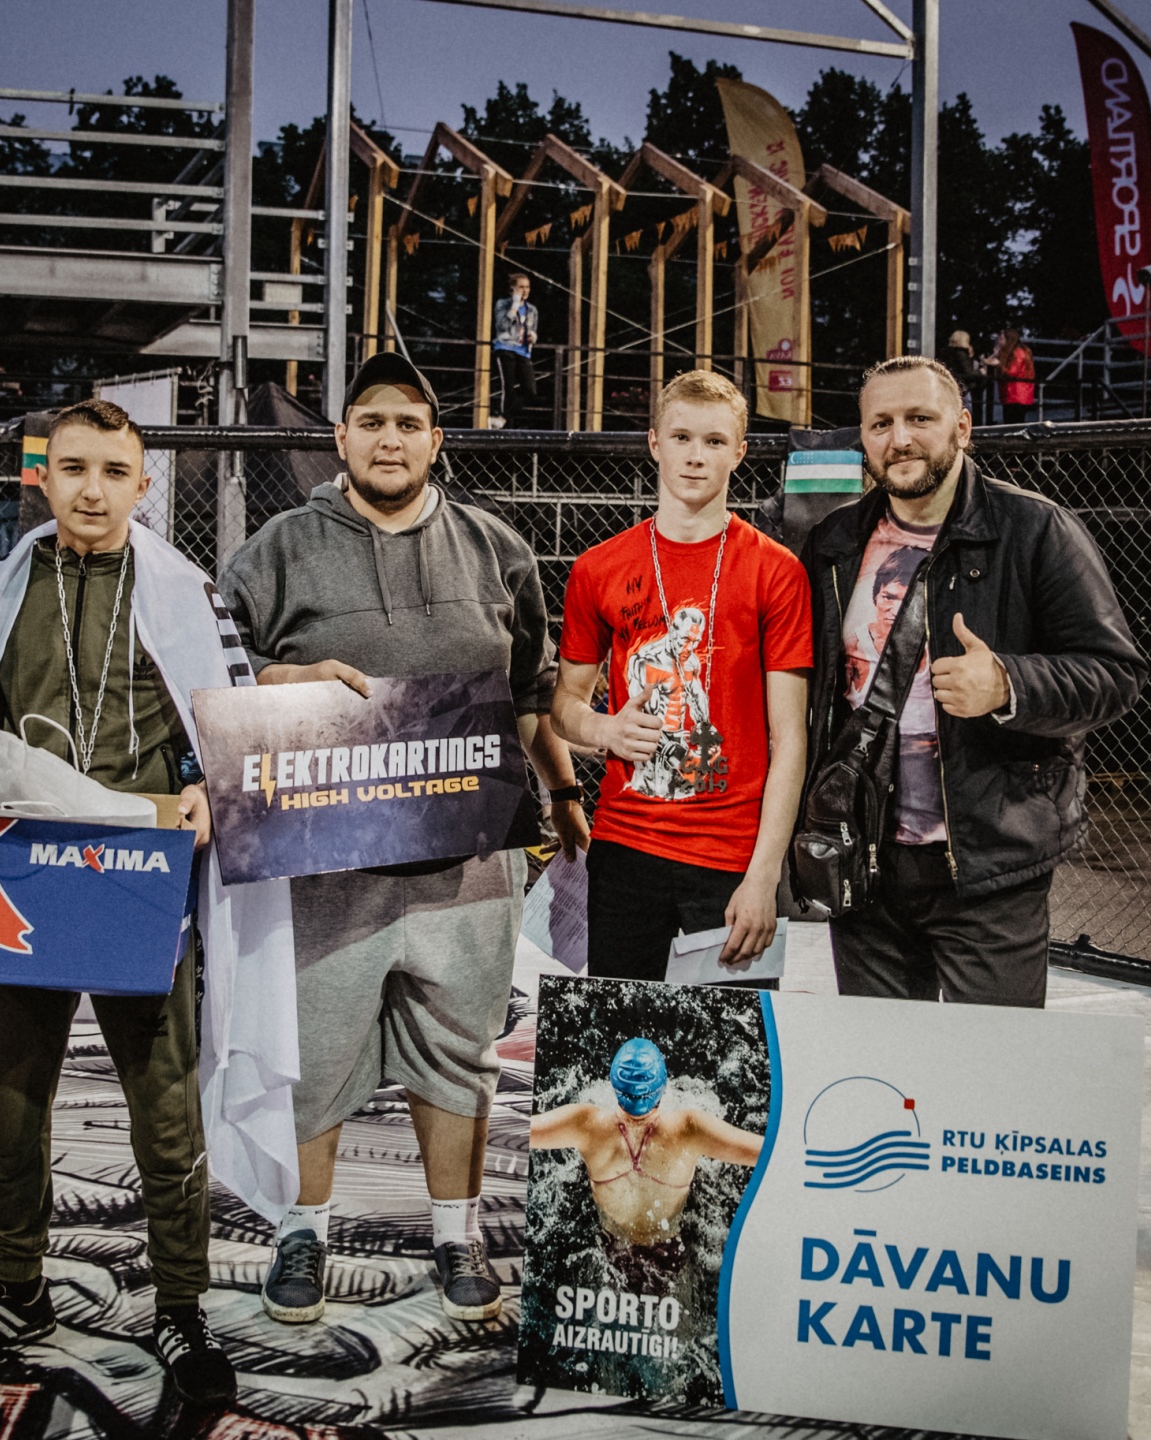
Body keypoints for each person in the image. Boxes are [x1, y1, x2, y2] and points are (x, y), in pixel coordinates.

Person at [0, 399, 298, 1407]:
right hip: (28, 868)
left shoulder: (183, 590)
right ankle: (17, 1289)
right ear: (42, 476)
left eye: (113, 472)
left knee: (163, 1104)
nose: (91, 490)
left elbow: (227, 712)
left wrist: (210, 786)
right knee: (13, 1098)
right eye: (73, 469)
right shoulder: (7, 583)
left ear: (143, 485)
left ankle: (179, 1307)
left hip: (139, 874)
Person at [221, 348, 587, 1327]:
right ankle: (303, 1235)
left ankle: (457, 1235)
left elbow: (531, 691)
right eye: (372, 422)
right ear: (340, 436)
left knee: (459, 1048)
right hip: (322, 860)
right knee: (313, 1050)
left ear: (436, 440)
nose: (390, 440)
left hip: (468, 855)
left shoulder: (495, 547)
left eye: (409, 424)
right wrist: (275, 681)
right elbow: (212, 675)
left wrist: (562, 791)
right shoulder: (277, 549)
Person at [800, 355, 1141, 1006]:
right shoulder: (834, 541)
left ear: (962, 427)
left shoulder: (1035, 528)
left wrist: (1009, 683)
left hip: (989, 866)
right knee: (884, 1060)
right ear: (863, 437)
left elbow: (1116, 673)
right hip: (865, 859)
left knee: (993, 1063)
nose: (899, 438)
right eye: (881, 424)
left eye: (919, 419)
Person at [551, 369, 812, 982]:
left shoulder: (776, 571)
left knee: (727, 1037)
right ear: (655, 444)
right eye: (682, 438)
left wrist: (764, 875)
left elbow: (789, 739)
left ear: (739, 452)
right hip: (626, 846)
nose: (696, 456)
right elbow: (564, 704)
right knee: (616, 1033)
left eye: (714, 441)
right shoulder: (597, 568)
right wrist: (604, 730)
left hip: (731, 856)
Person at [530, 1038, 763, 1288]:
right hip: (669, 1257)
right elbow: (763, 1152)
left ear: (614, 1085)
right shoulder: (689, 1130)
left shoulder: (587, 1125)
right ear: (662, 1087)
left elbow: (518, 1129)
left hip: (610, 1253)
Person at [492, 273, 541, 427]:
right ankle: (503, 420)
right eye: (521, 287)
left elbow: (533, 329)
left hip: (523, 351)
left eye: (527, 287)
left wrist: (533, 336)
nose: (525, 290)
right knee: (508, 387)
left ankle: (502, 418)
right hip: (505, 348)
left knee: (530, 391)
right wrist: (514, 305)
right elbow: (502, 326)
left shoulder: (531, 309)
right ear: (513, 288)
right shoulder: (502, 304)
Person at [990, 326, 1036, 424]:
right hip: (1014, 393)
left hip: (1015, 393)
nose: (999, 340)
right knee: (1013, 421)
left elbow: (1012, 372)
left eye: (1002, 338)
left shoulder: (1017, 353)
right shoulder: (1016, 351)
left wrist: (999, 365)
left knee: (1013, 421)